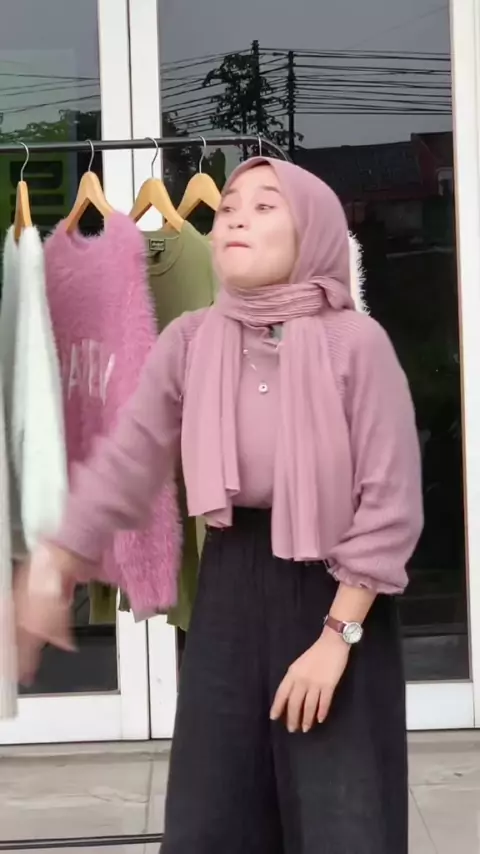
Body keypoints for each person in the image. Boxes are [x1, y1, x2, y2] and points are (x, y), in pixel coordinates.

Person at [15, 158, 423, 854]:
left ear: (312, 231)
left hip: (337, 591)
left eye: (265, 206)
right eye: (229, 206)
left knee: (342, 822)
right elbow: (128, 459)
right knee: (212, 819)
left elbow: (391, 503)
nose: (235, 217)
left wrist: (336, 638)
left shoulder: (357, 344)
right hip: (230, 588)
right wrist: (54, 560)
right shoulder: (191, 339)